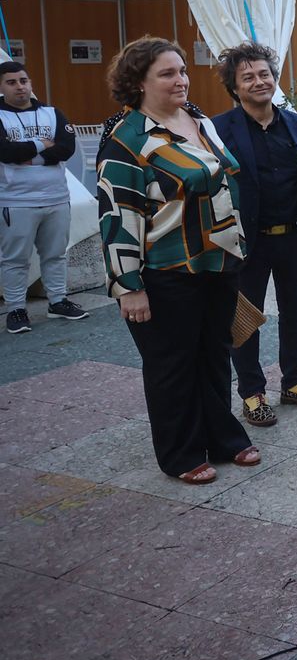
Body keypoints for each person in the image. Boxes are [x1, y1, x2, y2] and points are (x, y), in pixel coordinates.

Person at [97, 37, 259, 484]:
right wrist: (129, 288)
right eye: (167, 74)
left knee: (213, 354)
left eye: (183, 70)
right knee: (172, 366)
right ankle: (181, 453)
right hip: (165, 271)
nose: (181, 80)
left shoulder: (199, 118)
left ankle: (223, 438)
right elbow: (117, 217)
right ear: (138, 83)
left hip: (217, 261)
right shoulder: (126, 140)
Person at [211, 43, 297, 427]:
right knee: (244, 318)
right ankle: (251, 392)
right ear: (234, 86)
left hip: (294, 236)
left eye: (264, 74)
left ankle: (294, 382)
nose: (259, 81)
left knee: (296, 311)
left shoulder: (295, 122)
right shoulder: (218, 129)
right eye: (248, 77)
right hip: (247, 241)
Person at [1, 60, 84, 334]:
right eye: (11, 82)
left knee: (56, 254)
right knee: (15, 259)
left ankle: (58, 301)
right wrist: (41, 145)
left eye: (23, 81)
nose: (20, 87)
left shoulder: (52, 113)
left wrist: (25, 153)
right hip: (16, 200)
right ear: (2, 87)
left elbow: (66, 149)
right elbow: (6, 153)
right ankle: (16, 309)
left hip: (56, 197)